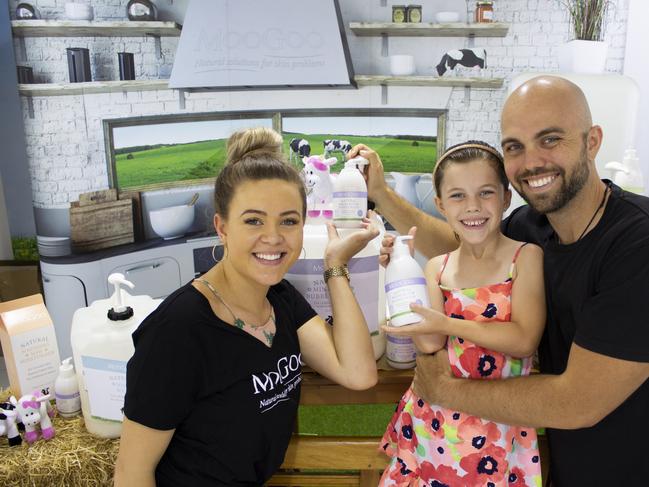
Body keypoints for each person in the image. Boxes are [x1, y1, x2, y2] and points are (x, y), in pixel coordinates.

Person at [350, 75, 649, 486]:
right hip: (557, 462)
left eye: (550, 139)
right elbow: (467, 245)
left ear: (592, 141)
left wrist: (443, 389)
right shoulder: (535, 225)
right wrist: (386, 206)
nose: (531, 162)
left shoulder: (637, 244)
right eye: (514, 147)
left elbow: (578, 403)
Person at [114, 127, 380, 486]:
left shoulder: (280, 299)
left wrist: (335, 266)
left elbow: (358, 373)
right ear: (222, 228)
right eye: (253, 220)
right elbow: (132, 473)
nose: (272, 237)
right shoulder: (177, 332)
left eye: (289, 221)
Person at [378, 141, 546, 486]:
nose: (473, 207)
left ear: (505, 198)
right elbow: (430, 342)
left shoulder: (526, 257)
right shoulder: (438, 267)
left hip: (498, 423)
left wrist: (450, 323)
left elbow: (524, 339)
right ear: (440, 204)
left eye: (485, 193)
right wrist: (401, 269)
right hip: (434, 424)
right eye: (457, 196)